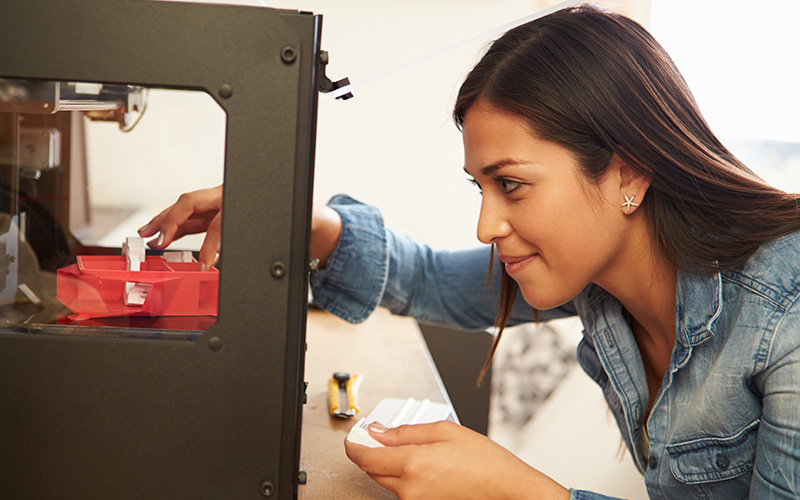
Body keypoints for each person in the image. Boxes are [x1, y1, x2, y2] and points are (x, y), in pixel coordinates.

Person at [138, 4, 800, 499]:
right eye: (481, 187)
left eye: (511, 185)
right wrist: (294, 220)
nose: (486, 224)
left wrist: (517, 491)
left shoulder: (787, 314)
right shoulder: (598, 273)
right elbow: (430, 281)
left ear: (627, 175)